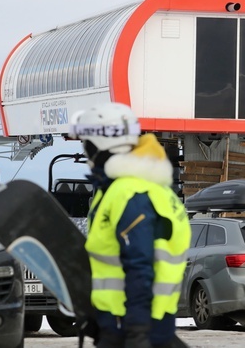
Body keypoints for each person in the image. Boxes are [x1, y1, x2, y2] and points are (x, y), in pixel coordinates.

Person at [69, 103, 191, 348]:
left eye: (87, 143)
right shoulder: (146, 188)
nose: (85, 151)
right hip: (133, 321)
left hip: (131, 324)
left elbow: (139, 265)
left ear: (99, 145)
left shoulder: (129, 192)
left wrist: (137, 331)